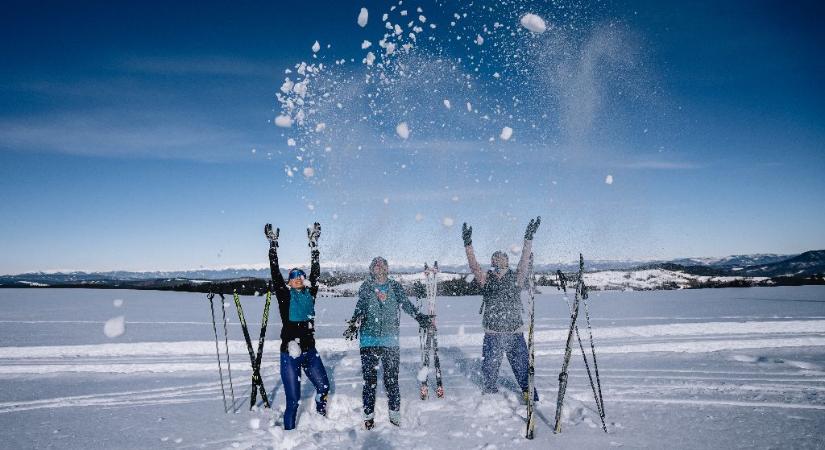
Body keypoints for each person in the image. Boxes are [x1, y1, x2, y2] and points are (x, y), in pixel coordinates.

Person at [344, 256, 433, 429]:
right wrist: (354, 322)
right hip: (368, 341)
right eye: (375, 264)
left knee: (391, 380)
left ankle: (395, 415)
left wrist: (419, 317)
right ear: (371, 269)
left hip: (390, 341)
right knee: (369, 381)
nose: (378, 266)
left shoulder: (395, 287)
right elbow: (360, 306)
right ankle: (368, 417)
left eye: (381, 263)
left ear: (387, 268)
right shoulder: (366, 286)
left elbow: (406, 304)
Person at [461, 217, 541, 402]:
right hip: (493, 332)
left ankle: (529, 394)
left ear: (506, 262)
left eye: (501, 259)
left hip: (514, 331)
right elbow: (474, 266)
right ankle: (490, 397)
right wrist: (468, 244)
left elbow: (524, 260)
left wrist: (528, 238)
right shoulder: (486, 278)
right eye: (494, 259)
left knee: (522, 367)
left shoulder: (516, 278)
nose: (497, 261)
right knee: (489, 368)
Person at [265, 222, 330, 430]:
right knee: (293, 400)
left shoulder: (310, 294)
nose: (297, 278)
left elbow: (316, 273)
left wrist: (314, 246)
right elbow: (275, 273)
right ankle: (289, 436)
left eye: (300, 276)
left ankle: (320, 417)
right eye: (293, 277)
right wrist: (273, 247)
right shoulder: (285, 296)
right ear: (289, 282)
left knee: (324, 387)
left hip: (310, 350)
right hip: (290, 353)